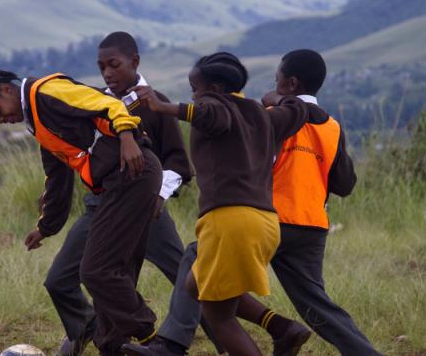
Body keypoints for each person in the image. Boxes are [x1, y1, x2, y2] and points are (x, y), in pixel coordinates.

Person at [48, 32, 222, 356]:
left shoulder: (154, 102)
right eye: (101, 68)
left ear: (135, 62)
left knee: (183, 274)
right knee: (62, 278)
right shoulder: (96, 102)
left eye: (114, 65)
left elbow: (178, 163)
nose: (107, 74)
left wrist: (157, 197)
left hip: (149, 209)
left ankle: (224, 337)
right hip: (100, 207)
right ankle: (89, 329)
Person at [124, 54, 308, 356]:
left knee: (219, 317)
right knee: (195, 285)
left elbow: (211, 114)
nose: (194, 94)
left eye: (196, 88)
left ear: (216, 88)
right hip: (264, 222)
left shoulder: (216, 108)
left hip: (230, 221)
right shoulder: (263, 115)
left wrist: (163, 107)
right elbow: (297, 109)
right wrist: (276, 97)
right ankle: (282, 328)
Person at [0, 68, 161, 355]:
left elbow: (107, 103)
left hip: (132, 172)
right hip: (115, 185)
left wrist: (127, 136)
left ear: (6, 90)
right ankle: (113, 346)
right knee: (115, 274)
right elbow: (57, 179)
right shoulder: (37, 121)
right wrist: (46, 227)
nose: (1, 120)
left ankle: (152, 340)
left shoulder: (47, 92)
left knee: (96, 271)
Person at [236, 49, 382, 356]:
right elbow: (345, 185)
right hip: (312, 227)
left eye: (277, 76)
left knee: (202, 265)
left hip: (269, 220)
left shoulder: (277, 117)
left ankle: (173, 341)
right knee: (316, 305)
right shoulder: (332, 127)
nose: (273, 82)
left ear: (290, 83)